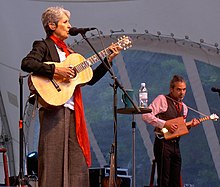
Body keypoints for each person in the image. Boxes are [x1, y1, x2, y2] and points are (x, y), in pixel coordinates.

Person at [21, 6, 122, 187]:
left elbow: (89, 80)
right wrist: (56, 69)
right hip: (53, 108)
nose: (70, 26)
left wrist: (108, 59)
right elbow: (27, 63)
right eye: (65, 22)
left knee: (77, 160)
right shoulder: (43, 45)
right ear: (52, 25)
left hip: (73, 110)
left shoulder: (70, 54)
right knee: (52, 157)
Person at [142, 75, 200, 187]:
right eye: (178, 89)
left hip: (176, 145)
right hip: (163, 143)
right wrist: (164, 123)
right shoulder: (162, 99)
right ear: (171, 89)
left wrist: (190, 126)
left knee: (176, 180)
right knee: (164, 179)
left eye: (184, 89)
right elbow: (145, 115)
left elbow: (179, 129)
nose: (181, 92)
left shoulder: (184, 107)